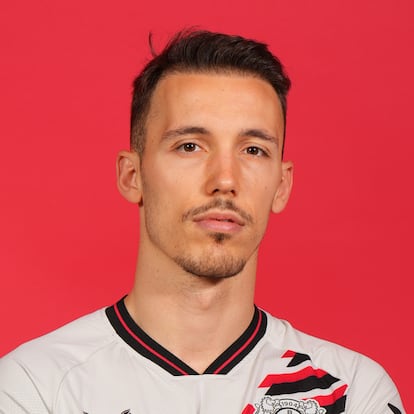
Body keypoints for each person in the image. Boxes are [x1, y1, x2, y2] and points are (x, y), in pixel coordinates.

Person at [0, 30, 406, 414]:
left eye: (253, 149)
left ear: (281, 186)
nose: (225, 180)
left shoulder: (350, 392)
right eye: (190, 146)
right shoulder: (36, 387)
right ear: (132, 176)